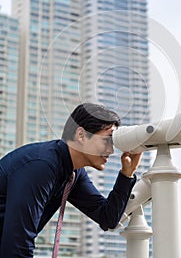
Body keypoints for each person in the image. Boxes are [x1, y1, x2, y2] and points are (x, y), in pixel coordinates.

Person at [0, 103, 142, 257]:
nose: (111, 150)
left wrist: (127, 174)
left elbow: (107, 217)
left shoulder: (73, 173)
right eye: (107, 140)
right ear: (81, 135)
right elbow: (17, 246)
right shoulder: (41, 166)